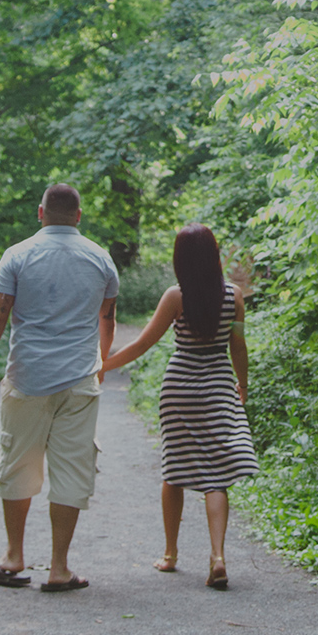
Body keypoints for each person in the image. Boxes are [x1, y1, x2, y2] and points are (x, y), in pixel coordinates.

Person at [0, 183, 118, 591]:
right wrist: (100, 363)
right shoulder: (101, 259)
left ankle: (13, 557)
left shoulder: (17, 255)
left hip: (28, 378)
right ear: (79, 216)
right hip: (80, 380)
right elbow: (107, 318)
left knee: (18, 462)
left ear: (40, 212)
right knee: (71, 468)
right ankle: (60, 568)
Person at [102, 223, 256, 590]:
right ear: (214, 255)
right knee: (217, 476)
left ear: (180, 259)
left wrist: (102, 366)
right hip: (219, 383)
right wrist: (243, 384)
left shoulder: (176, 296)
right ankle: (217, 556)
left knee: (174, 469)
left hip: (181, 386)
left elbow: (143, 344)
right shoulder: (234, 296)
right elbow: (238, 347)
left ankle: (170, 555)